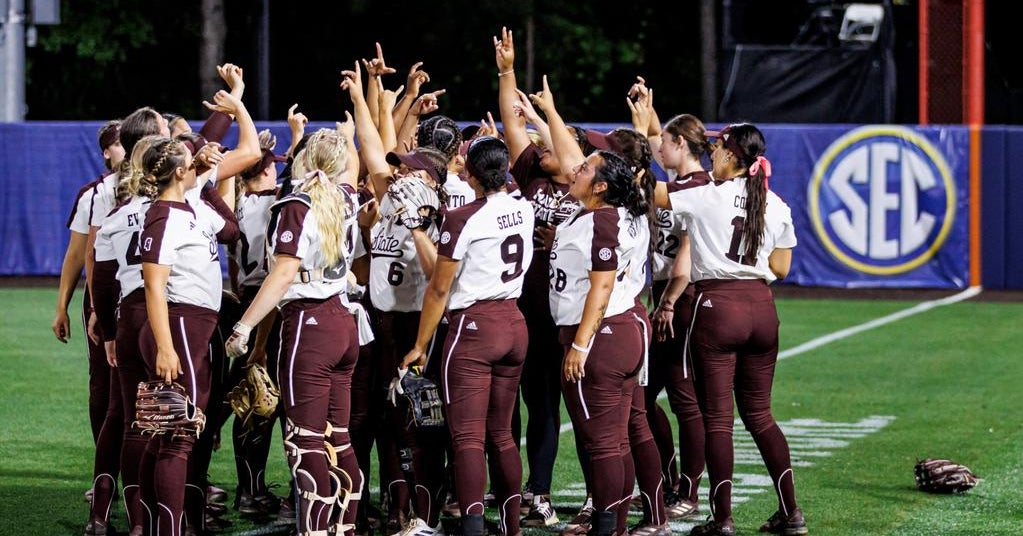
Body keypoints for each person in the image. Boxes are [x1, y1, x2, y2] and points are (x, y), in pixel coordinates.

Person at [224, 73, 367, 536]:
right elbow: (352, 175)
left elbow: (283, 273)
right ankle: (344, 525)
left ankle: (315, 529)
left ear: (306, 161)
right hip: (344, 321)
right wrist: (350, 134)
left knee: (303, 441)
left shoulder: (298, 202)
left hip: (309, 324)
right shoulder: (346, 196)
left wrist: (244, 327)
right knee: (338, 438)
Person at [658, 123, 805, 536]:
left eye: (716, 147)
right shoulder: (774, 202)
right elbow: (780, 268)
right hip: (761, 307)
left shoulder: (707, 195)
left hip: (717, 306)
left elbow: (650, 194)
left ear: (729, 154)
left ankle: (722, 519)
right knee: (760, 415)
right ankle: (791, 512)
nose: (711, 155)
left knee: (718, 420)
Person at [527, 74, 650, 536]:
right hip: (622, 330)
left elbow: (599, 287)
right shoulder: (618, 209)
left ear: (600, 187)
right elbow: (581, 162)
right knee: (614, 441)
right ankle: (613, 523)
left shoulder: (600, 221)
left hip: (600, 335)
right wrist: (550, 113)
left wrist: (579, 345)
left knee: (600, 443)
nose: (573, 170)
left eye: (583, 171)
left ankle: (604, 526)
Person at [399, 136, 535, 536]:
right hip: (514, 321)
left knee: (468, 440)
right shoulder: (523, 207)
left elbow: (439, 289)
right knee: (503, 435)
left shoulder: (464, 220)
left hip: (474, 328)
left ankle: (473, 528)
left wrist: (420, 346)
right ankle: (512, 525)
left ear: (471, 174)